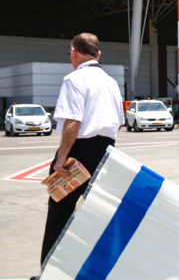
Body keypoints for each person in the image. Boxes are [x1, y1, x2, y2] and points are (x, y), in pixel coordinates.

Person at [40, 32, 124, 267]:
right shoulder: (111, 82)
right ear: (98, 54)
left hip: (80, 150)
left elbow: (73, 122)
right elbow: (118, 122)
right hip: (107, 150)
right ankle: (102, 267)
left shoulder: (74, 80)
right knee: (99, 212)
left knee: (60, 210)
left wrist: (62, 158)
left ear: (74, 53)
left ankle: (50, 270)